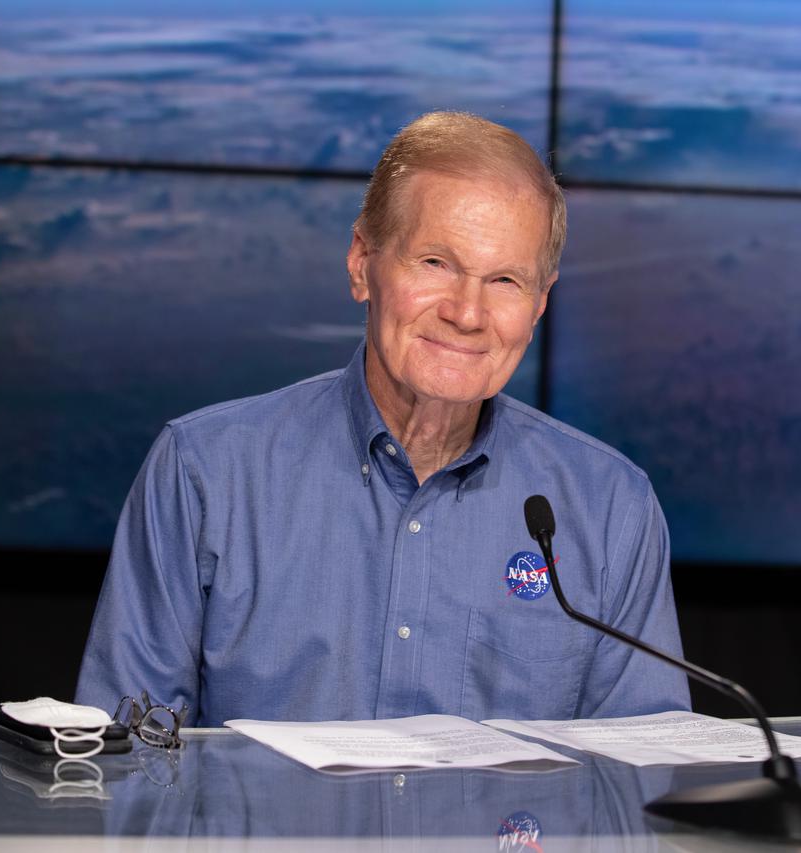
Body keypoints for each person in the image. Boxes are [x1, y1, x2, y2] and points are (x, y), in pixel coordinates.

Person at [75, 112, 690, 726]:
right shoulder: (203, 473)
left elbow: (640, 771)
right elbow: (124, 757)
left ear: (539, 305)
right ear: (361, 262)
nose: (467, 314)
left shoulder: (611, 508)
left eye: (505, 280)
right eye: (435, 263)